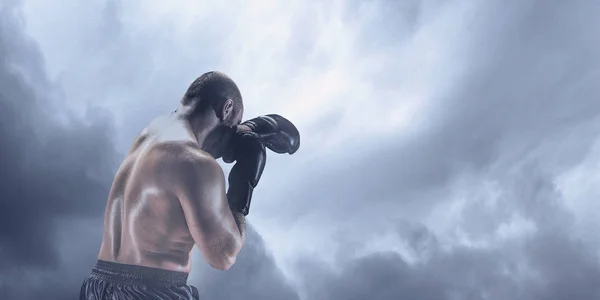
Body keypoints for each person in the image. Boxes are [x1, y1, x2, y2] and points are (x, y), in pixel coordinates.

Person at [79, 71, 299, 300]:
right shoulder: (196, 164)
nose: (232, 139)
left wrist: (245, 129)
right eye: (235, 124)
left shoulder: (151, 133)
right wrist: (244, 177)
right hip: (154, 291)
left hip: (97, 288)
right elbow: (223, 255)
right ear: (227, 108)